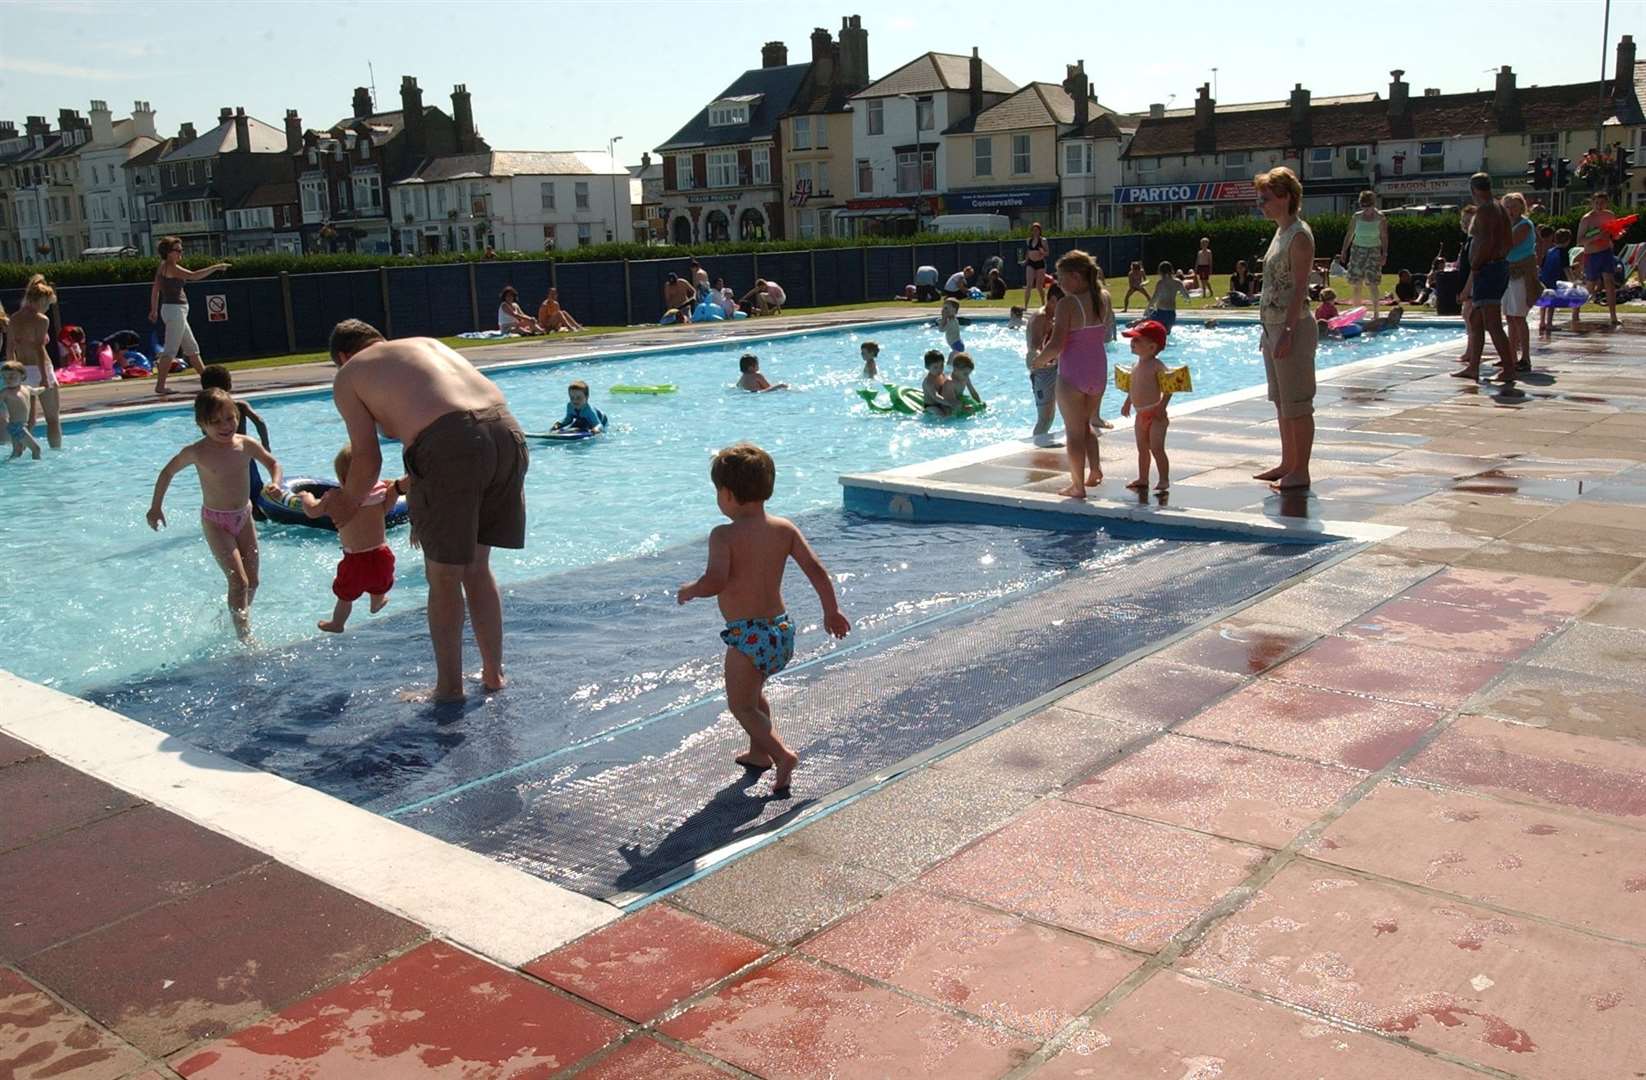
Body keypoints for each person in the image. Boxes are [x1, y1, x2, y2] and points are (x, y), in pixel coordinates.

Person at [327, 321, 530, 703]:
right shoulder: (422, 343)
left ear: (342, 357)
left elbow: (367, 459)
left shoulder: (350, 375)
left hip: (451, 444)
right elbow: (451, 415)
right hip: (507, 432)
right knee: (477, 567)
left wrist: (346, 504)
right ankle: (493, 674)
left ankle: (449, 689)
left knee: (444, 577)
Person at [676, 442, 850, 797]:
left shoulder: (723, 535)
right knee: (754, 697)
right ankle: (759, 753)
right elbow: (816, 570)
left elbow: (716, 581)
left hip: (747, 636)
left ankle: (782, 755)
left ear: (726, 494)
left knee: (740, 705)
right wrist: (831, 611)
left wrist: (692, 589)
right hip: (780, 631)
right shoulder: (783, 528)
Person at [145, 387, 283, 640]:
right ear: (201, 424)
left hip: (244, 516)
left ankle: (236, 616)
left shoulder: (246, 445)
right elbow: (167, 473)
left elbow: (273, 463)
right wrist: (155, 507)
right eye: (216, 422)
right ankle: (244, 636)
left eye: (229, 418)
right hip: (216, 522)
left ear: (237, 417)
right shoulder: (197, 451)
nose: (225, 426)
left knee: (253, 581)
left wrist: (275, 482)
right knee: (238, 581)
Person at [1253, 166, 1318, 492]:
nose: (1260, 204)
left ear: (1286, 197)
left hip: (1292, 328)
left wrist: (1289, 333)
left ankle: (1300, 470)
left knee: (1297, 404)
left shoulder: (1299, 236)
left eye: (1266, 198)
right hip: (1273, 328)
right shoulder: (1282, 232)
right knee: (1282, 402)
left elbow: (1300, 288)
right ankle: (1287, 462)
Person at [300, 443, 403, 633]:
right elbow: (389, 504)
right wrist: (394, 487)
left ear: (343, 478)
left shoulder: (337, 499)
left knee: (345, 596)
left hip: (355, 559)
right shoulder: (379, 493)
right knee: (379, 583)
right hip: (382, 554)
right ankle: (377, 602)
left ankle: (337, 624)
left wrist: (306, 497)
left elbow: (313, 512)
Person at [1034, 250, 1110, 499]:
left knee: (1073, 432)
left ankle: (1077, 486)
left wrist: (1037, 361)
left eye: (1062, 277)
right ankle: (1095, 470)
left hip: (1073, 374)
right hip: (1097, 370)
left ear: (1076, 277)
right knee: (1086, 424)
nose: (1058, 283)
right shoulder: (1104, 297)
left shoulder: (1068, 304)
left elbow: (1056, 345)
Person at [1454, 173, 1516, 388]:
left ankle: (1509, 369)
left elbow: (1486, 242)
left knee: (1492, 323)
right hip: (1494, 267)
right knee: (1475, 319)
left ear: (1473, 190)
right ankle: (1473, 367)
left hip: (1488, 269)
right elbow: (1507, 240)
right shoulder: (1497, 207)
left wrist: (1476, 265)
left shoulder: (1487, 210)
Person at [150, 236, 230, 395]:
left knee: (192, 350)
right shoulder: (171, 267)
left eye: (181, 250)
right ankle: (160, 386)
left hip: (174, 311)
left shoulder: (163, 267)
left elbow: (155, 290)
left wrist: (153, 310)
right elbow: (193, 275)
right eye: (178, 250)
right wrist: (216, 267)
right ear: (168, 252)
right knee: (170, 350)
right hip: (175, 311)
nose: (181, 253)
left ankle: (209, 383)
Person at [199, 364, 273, 518]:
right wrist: (265, 445)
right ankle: (259, 516)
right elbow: (260, 422)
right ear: (230, 385)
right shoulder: (239, 405)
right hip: (244, 453)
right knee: (255, 492)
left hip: (221, 459)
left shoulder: (205, 413)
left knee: (231, 495)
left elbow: (204, 433)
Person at [3, 275, 61, 449]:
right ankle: (57, 453)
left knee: (26, 421)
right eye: (48, 304)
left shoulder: (14, 318)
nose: (47, 308)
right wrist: (44, 378)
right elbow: (38, 349)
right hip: (41, 368)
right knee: (52, 419)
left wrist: (11, 375)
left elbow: (9, 348)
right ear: (42, 300)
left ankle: (19, 452)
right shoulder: (41, 320)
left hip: (22, 371)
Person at [1119, 320, 1173, 494]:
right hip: (1140, 414)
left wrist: (1162, 406)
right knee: (1142, 448)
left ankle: (1164, 479)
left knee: (1157, 448)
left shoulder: (1157, 366)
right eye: (1132, 340)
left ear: (1151, 347)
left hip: (1156, 414)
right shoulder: (1136, 365)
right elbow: (1133, 387)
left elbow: (1169, 387)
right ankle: (1143, 478)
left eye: (1137, 340)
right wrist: (1128, 402)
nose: (1132, 343)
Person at [1501, 192, 1538, 372]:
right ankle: (1511, 356)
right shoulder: (1506, 225)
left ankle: (1525, 357)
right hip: (1508, 272)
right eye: (1507, 207)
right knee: (1509, 316)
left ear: (1521, 207)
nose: (1510, 210)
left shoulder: (1524, 225)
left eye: (1514, 207)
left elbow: (1509, 243)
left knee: (1518, 316)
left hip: (1520, 272)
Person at [1339, 191, 1388, 320]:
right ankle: (1356, 313)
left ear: (1373, 204)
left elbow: (1384, 237)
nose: (1366, 210)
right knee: (1356, 283)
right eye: (1363, 207)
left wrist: (1385, 253)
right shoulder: (1356, 217)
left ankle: (1376, 313)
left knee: (1373, 283)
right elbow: (1349, 235)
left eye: (1368, 207)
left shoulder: (1380, 218)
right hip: (1357, 250)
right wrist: (1344, 251)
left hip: (1374, 250)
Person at [1575, 190, 1620, 329]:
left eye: (1602, 203)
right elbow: (1579, 241)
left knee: (1610, 283)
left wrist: (1617, 234)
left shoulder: (1609, 215)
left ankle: (1613, 316)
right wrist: (1595, 237)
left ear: (1606, 203)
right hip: (1592, 254)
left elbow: (1615, 233)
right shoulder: (1587, 219)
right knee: (1590, 286)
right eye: (1596, 203)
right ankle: (1575, 312)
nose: (1599, 205)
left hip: (1606, 251)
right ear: (1592, 203)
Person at [2, 361, 41, 460]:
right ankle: (37, 469)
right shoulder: (5, 393)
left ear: (22, 376)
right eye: (4, 377)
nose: (8, 380)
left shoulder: (26, 388)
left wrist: (46, 387)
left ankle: (6, 469)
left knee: (17, 451)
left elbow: (36, 391)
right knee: (36, 449)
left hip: (22, 425)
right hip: (16, 426)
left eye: (11, 377)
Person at [1538, 228, 1572, 337]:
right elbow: (1566, 269)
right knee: (1552, 303)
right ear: (1568, 241)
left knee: (1544, 301)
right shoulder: (1564, 253)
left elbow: (1542, 265)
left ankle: (1542, 322)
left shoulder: (1549, 251)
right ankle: (1549, 323)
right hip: (1555, 279)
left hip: (1545, 278)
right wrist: (1572, 282)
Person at [1143, 261, 1191, 330]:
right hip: (1171, 314)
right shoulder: (1178, 282)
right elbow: (1186, 297)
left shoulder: (1161, 283)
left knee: (1155, 333)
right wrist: (1185, 298)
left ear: (1160, 271)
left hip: (1160, 313)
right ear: (1171, 270)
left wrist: (1147, 310)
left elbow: (1154, 298)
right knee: (1166, 334)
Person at [1022, 223, 1049, 307]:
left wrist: (1042, 252)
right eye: (1033, 230)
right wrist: (1025, 260)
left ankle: (1043, 302)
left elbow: (1047, 253)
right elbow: (1028, 252)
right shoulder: (1029, 240)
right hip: (1031, 263)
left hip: (1040, 263)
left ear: (1040, 231)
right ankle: (1026, 305)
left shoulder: (1043, 240)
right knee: (1029, 285)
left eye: (1037, 230)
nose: (1035, 232)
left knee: (1039, 286)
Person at [920, 350, 950, 415]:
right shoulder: (928, 382)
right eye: (935, 367)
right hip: (931, 405)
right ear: (927, 367)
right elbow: (936, 397)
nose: (939, 369)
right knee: (939, 413)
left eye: (941, 366)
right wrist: (950, 403)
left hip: (941, 403)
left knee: (950, 412)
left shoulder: (942, 375)